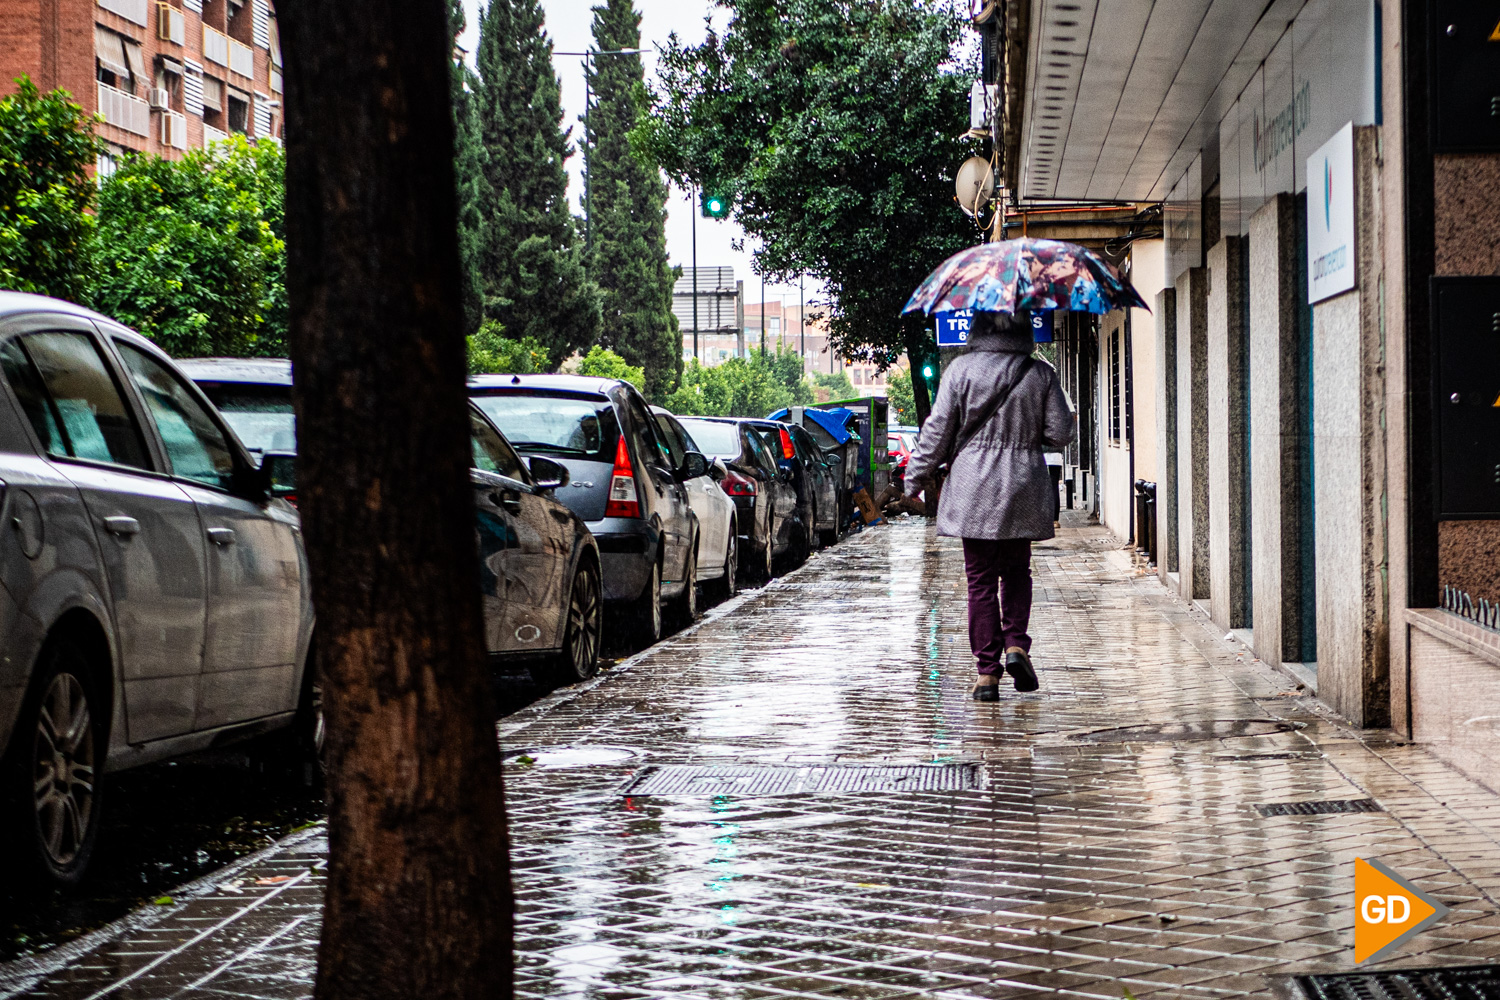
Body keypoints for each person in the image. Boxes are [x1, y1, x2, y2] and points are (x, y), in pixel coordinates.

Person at [903, 311, 1076, 701]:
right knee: (1017, 571)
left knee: (980, 580)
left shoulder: (961, 370)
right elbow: (1061, 432)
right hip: (1023, 486)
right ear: (1023, 328)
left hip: (972, 486)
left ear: (976, 327)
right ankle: (1016, 645)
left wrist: (914, 479)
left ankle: (986, 674)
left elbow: (936, 431)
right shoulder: (1039, 372)